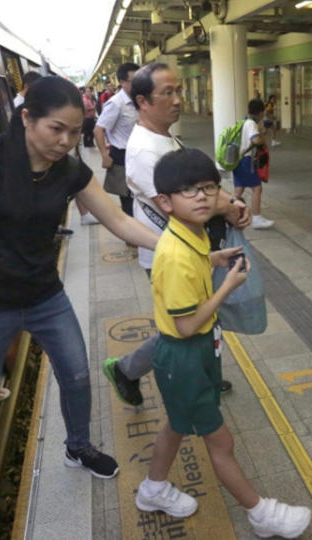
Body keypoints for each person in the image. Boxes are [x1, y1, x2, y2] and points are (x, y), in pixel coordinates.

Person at [0, 76, 160, 515]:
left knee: (76, 375)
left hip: (45, 296)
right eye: (56, 129)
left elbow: (118, 220)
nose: (65, 141)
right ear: (26, 119)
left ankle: (78, 447)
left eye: (75, 132)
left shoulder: (71, 171)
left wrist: (176, 246)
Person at [135, 147, 312, 538]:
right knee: (221, 440)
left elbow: (196, 261)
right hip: (183, 353)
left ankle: (153, 488)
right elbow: (185, 325)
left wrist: (216, 260)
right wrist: (226, 286)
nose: (201, 197)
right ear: (164, 201)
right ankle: (260, 513)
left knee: (177, 425)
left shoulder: (189, 234)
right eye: (188, 190)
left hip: (194, 353)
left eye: (208, 188)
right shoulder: (176, 254)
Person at [101, 62, 250, 408]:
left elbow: (196, 189)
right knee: (182, 328)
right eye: (167, 93)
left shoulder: (163, 137)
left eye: (178, 90)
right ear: (143, 102)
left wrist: (231, 202)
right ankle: (127, 370)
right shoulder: (144, 151)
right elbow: (181, 206)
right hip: (169, 253)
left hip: (192, 248)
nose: (178, 99)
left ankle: (204, 375)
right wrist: (228, 206)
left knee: (197, 319)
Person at [94, 63, 139, 218]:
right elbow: (98, 129)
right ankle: (132, 237)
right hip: (122, 156)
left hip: (139, 153)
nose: (138, 84)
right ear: (122, 81)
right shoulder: (116, 103)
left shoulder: (139, 100)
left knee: (141, 196)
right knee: (128, 199)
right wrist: (105, 156)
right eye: (133, 80)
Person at [233, 99, 274, 230]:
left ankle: (228, 212)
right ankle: (256, 218)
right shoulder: (251, 124)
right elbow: (255, 140)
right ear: (261, 113)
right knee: (257, 188)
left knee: (239, 190)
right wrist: (262, 138)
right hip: (246, 161)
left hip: (238, 160)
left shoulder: (244, 121)